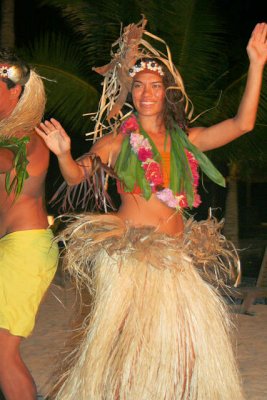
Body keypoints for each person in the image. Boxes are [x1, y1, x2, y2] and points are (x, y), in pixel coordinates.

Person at [36, 19, 267, 400]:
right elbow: (77, 177)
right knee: (130, 354)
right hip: (132, 259)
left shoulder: (186, 141)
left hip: (176, 259)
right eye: (139, 85)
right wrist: (62, 153)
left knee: (189, 350)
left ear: (166, 92)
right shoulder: (115, 142)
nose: (146, 93)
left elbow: (243, 124)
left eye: (155, 86)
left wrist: (256, 64)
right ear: (131, 92)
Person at [0, 49, 59, 400]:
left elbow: (6, 161)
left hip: (27, 249)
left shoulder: (27, 134)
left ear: (15, 91)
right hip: (12, 248)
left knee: (3, 352)